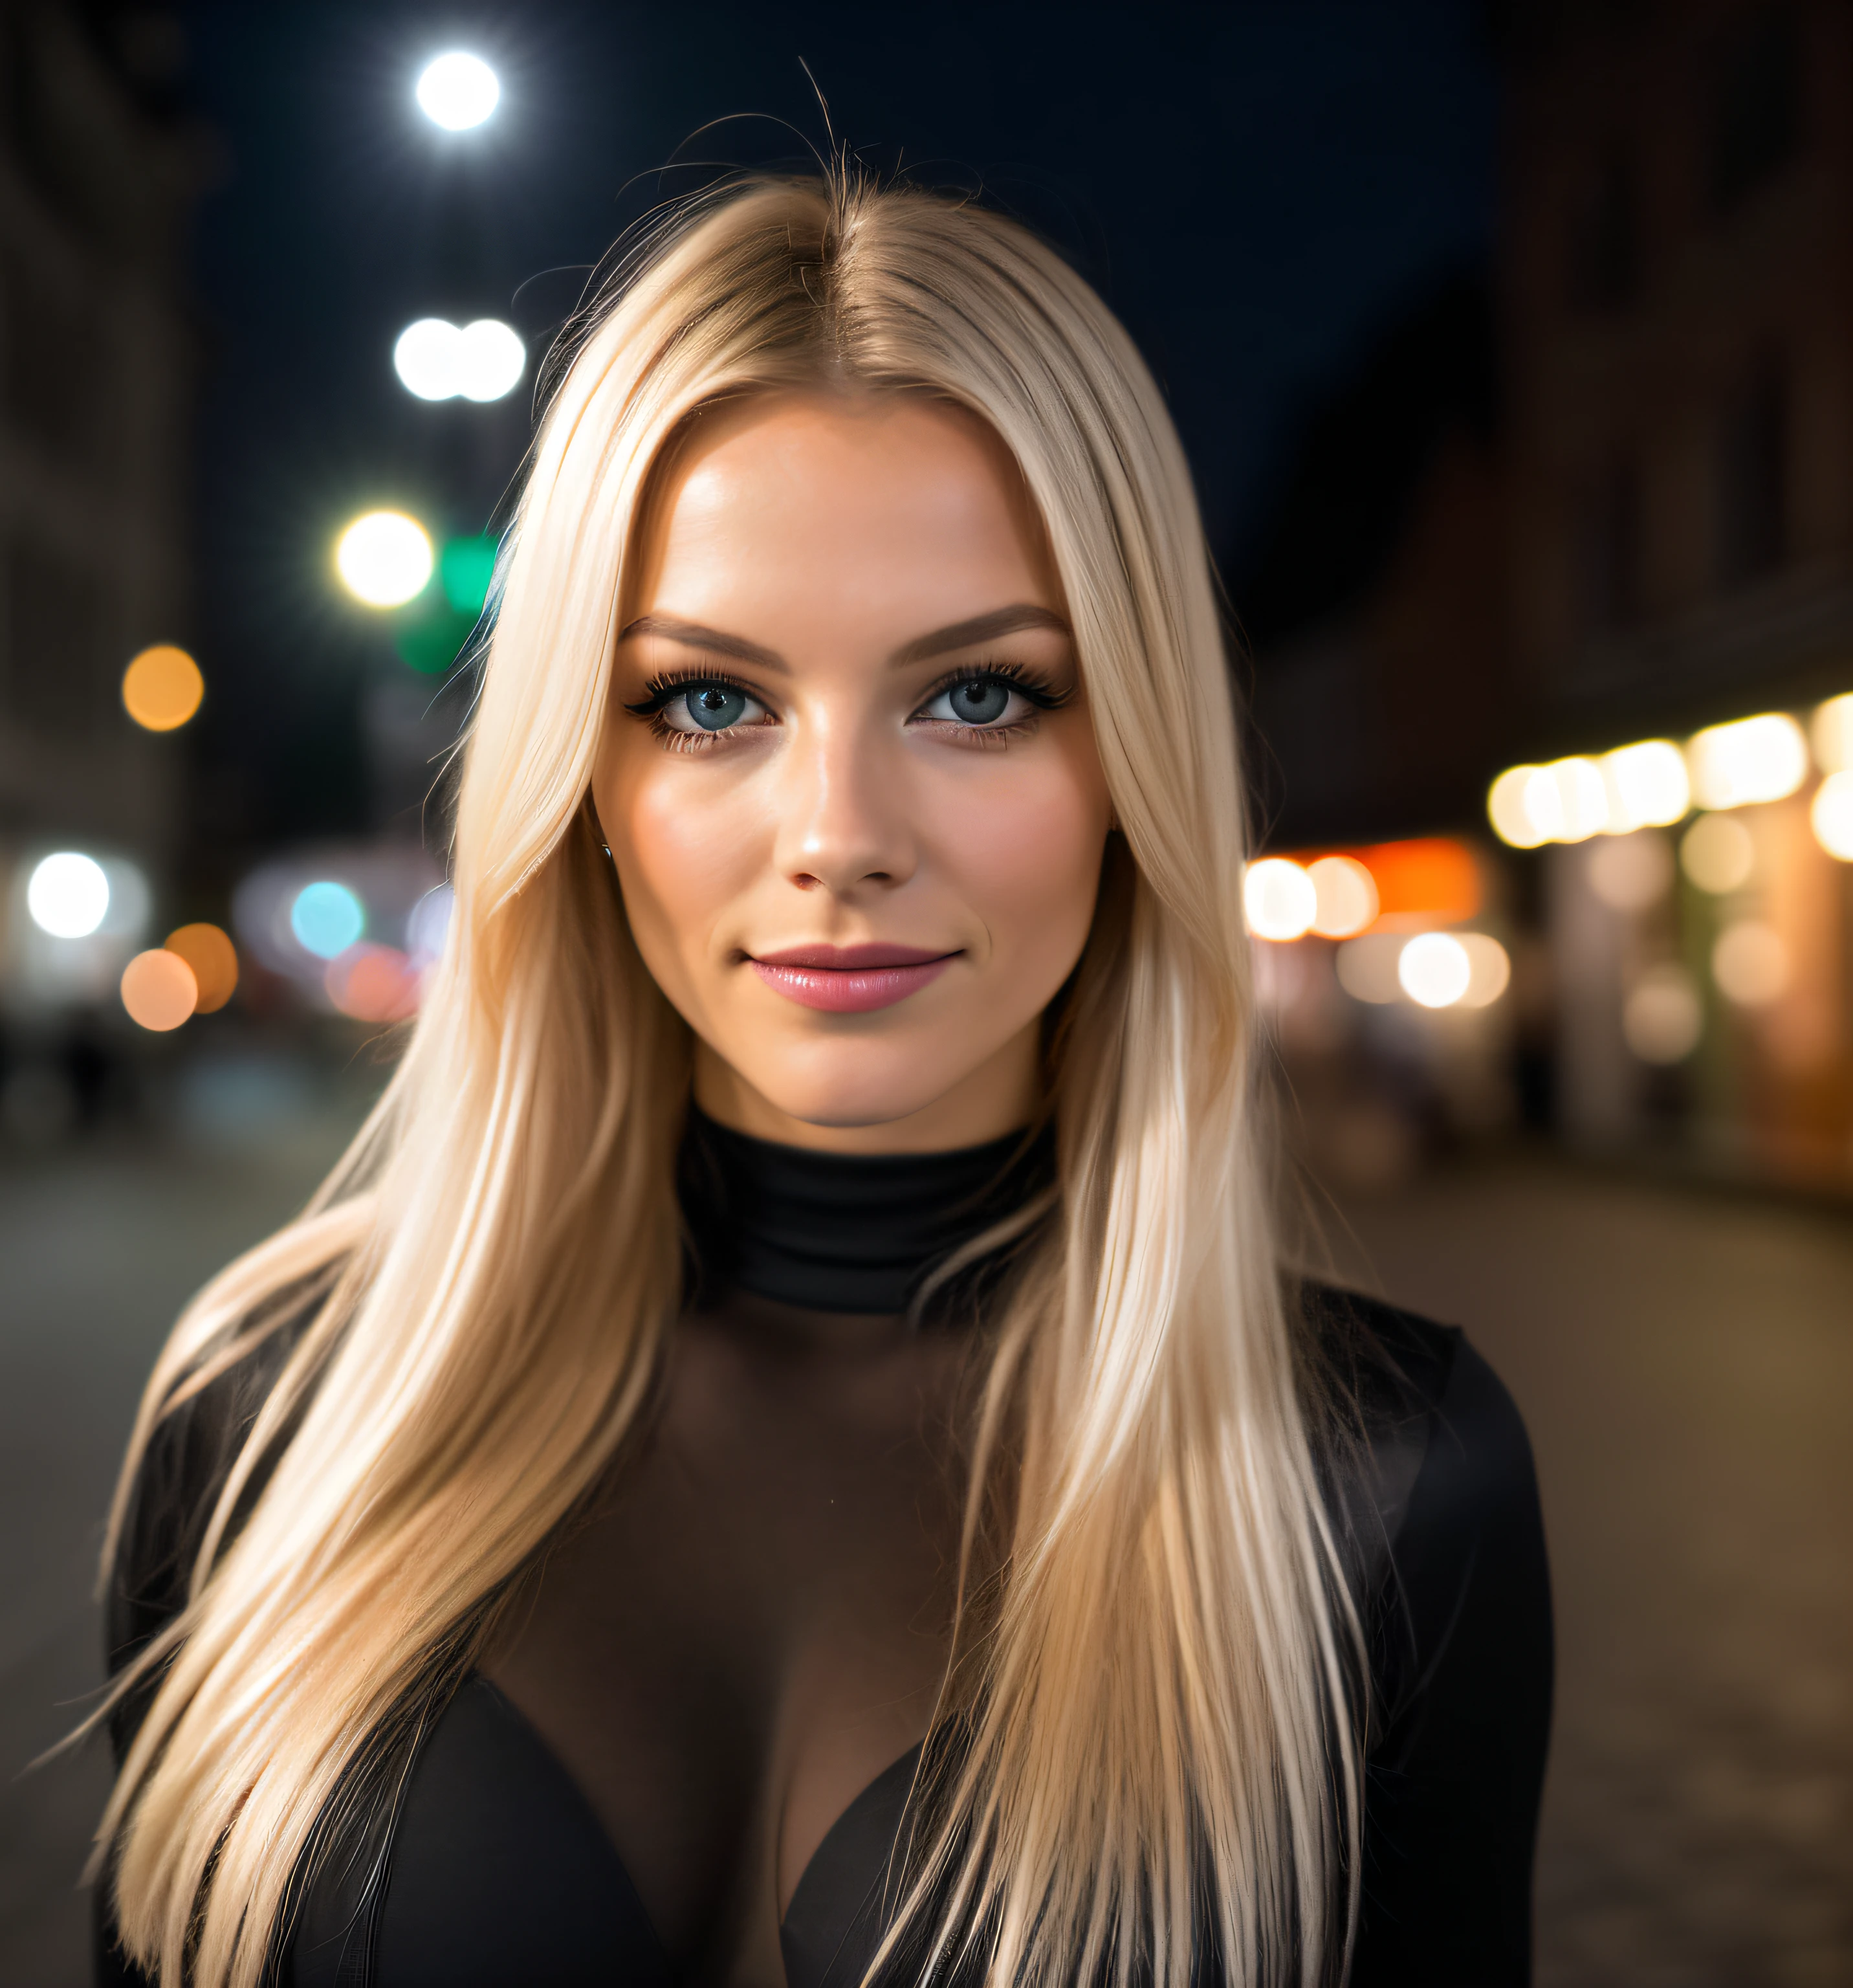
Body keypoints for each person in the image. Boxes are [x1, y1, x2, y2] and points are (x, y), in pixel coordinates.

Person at [93, 170, 1550, 1988]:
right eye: (711, 701)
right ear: (582, 780)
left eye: (978, 697)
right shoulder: (268, 1420)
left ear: (1133, 758)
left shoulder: (1383, 1486)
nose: (840, 836)